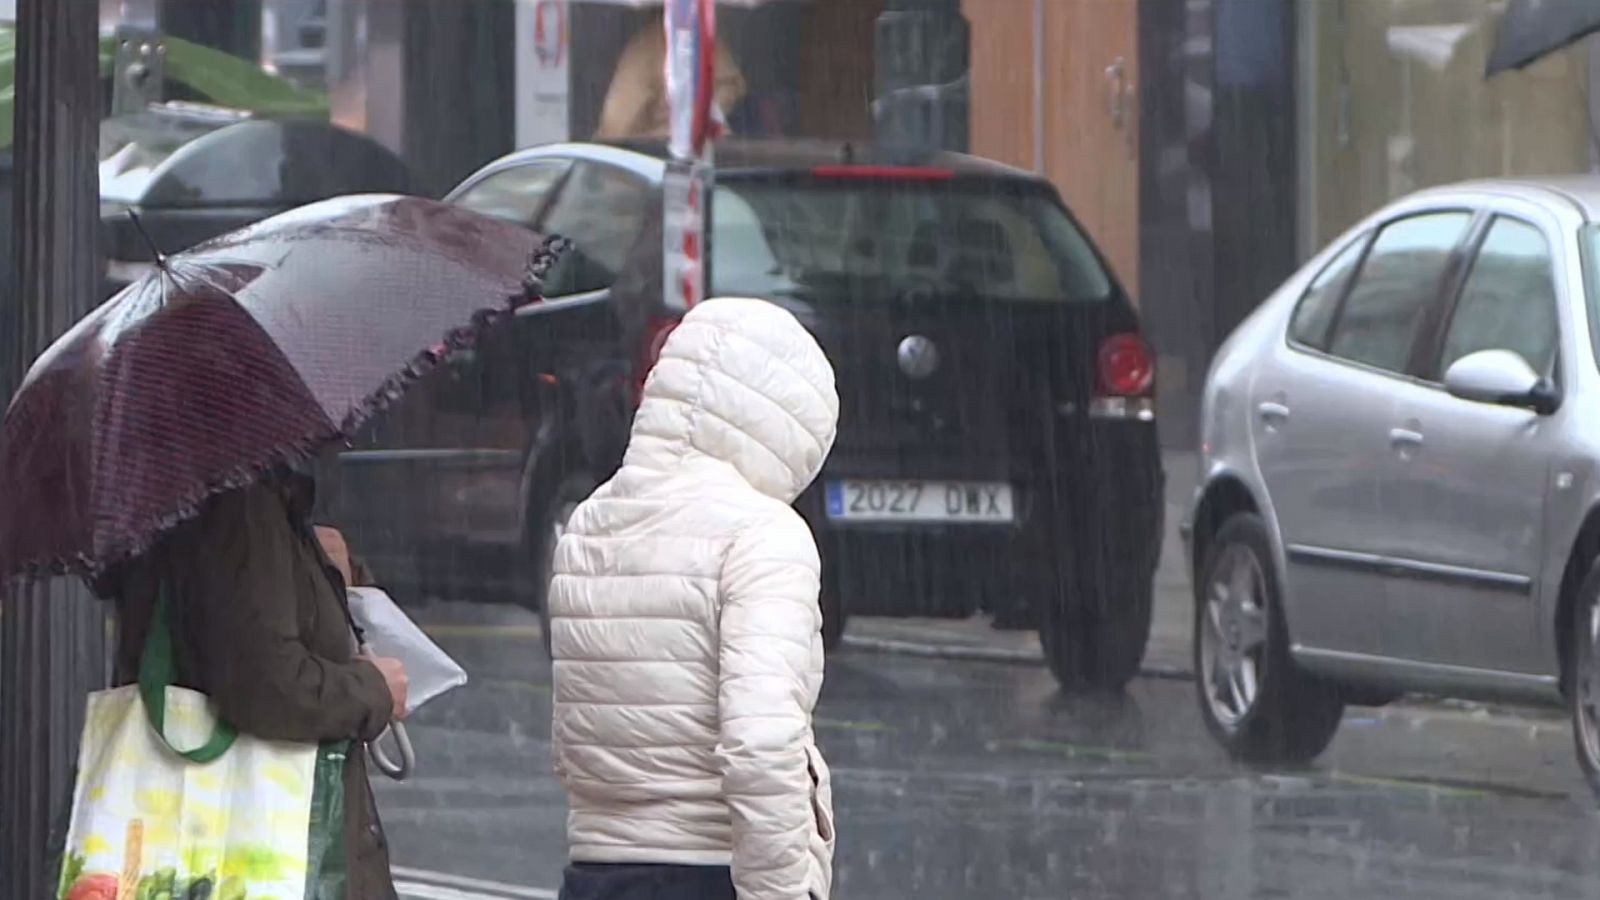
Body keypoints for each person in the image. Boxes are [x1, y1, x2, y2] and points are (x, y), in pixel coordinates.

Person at [549, 297, 840, 900]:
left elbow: (574, 736)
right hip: (709, 868)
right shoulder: (762, 536)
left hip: (597, 869)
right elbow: (761, 745)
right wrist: (780, 891)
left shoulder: (590, 522)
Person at [107, 467, 409, 900]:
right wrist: (372, 689)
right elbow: (264, 682)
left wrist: (323, 565)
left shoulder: (168, 493)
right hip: (276, 837)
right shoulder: (241, 501)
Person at [593, 10, 748, 141]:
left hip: (672, 147)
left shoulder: (647, 46)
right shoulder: (647, 47)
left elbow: (618, 120)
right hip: (672, 145)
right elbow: (620, 118)